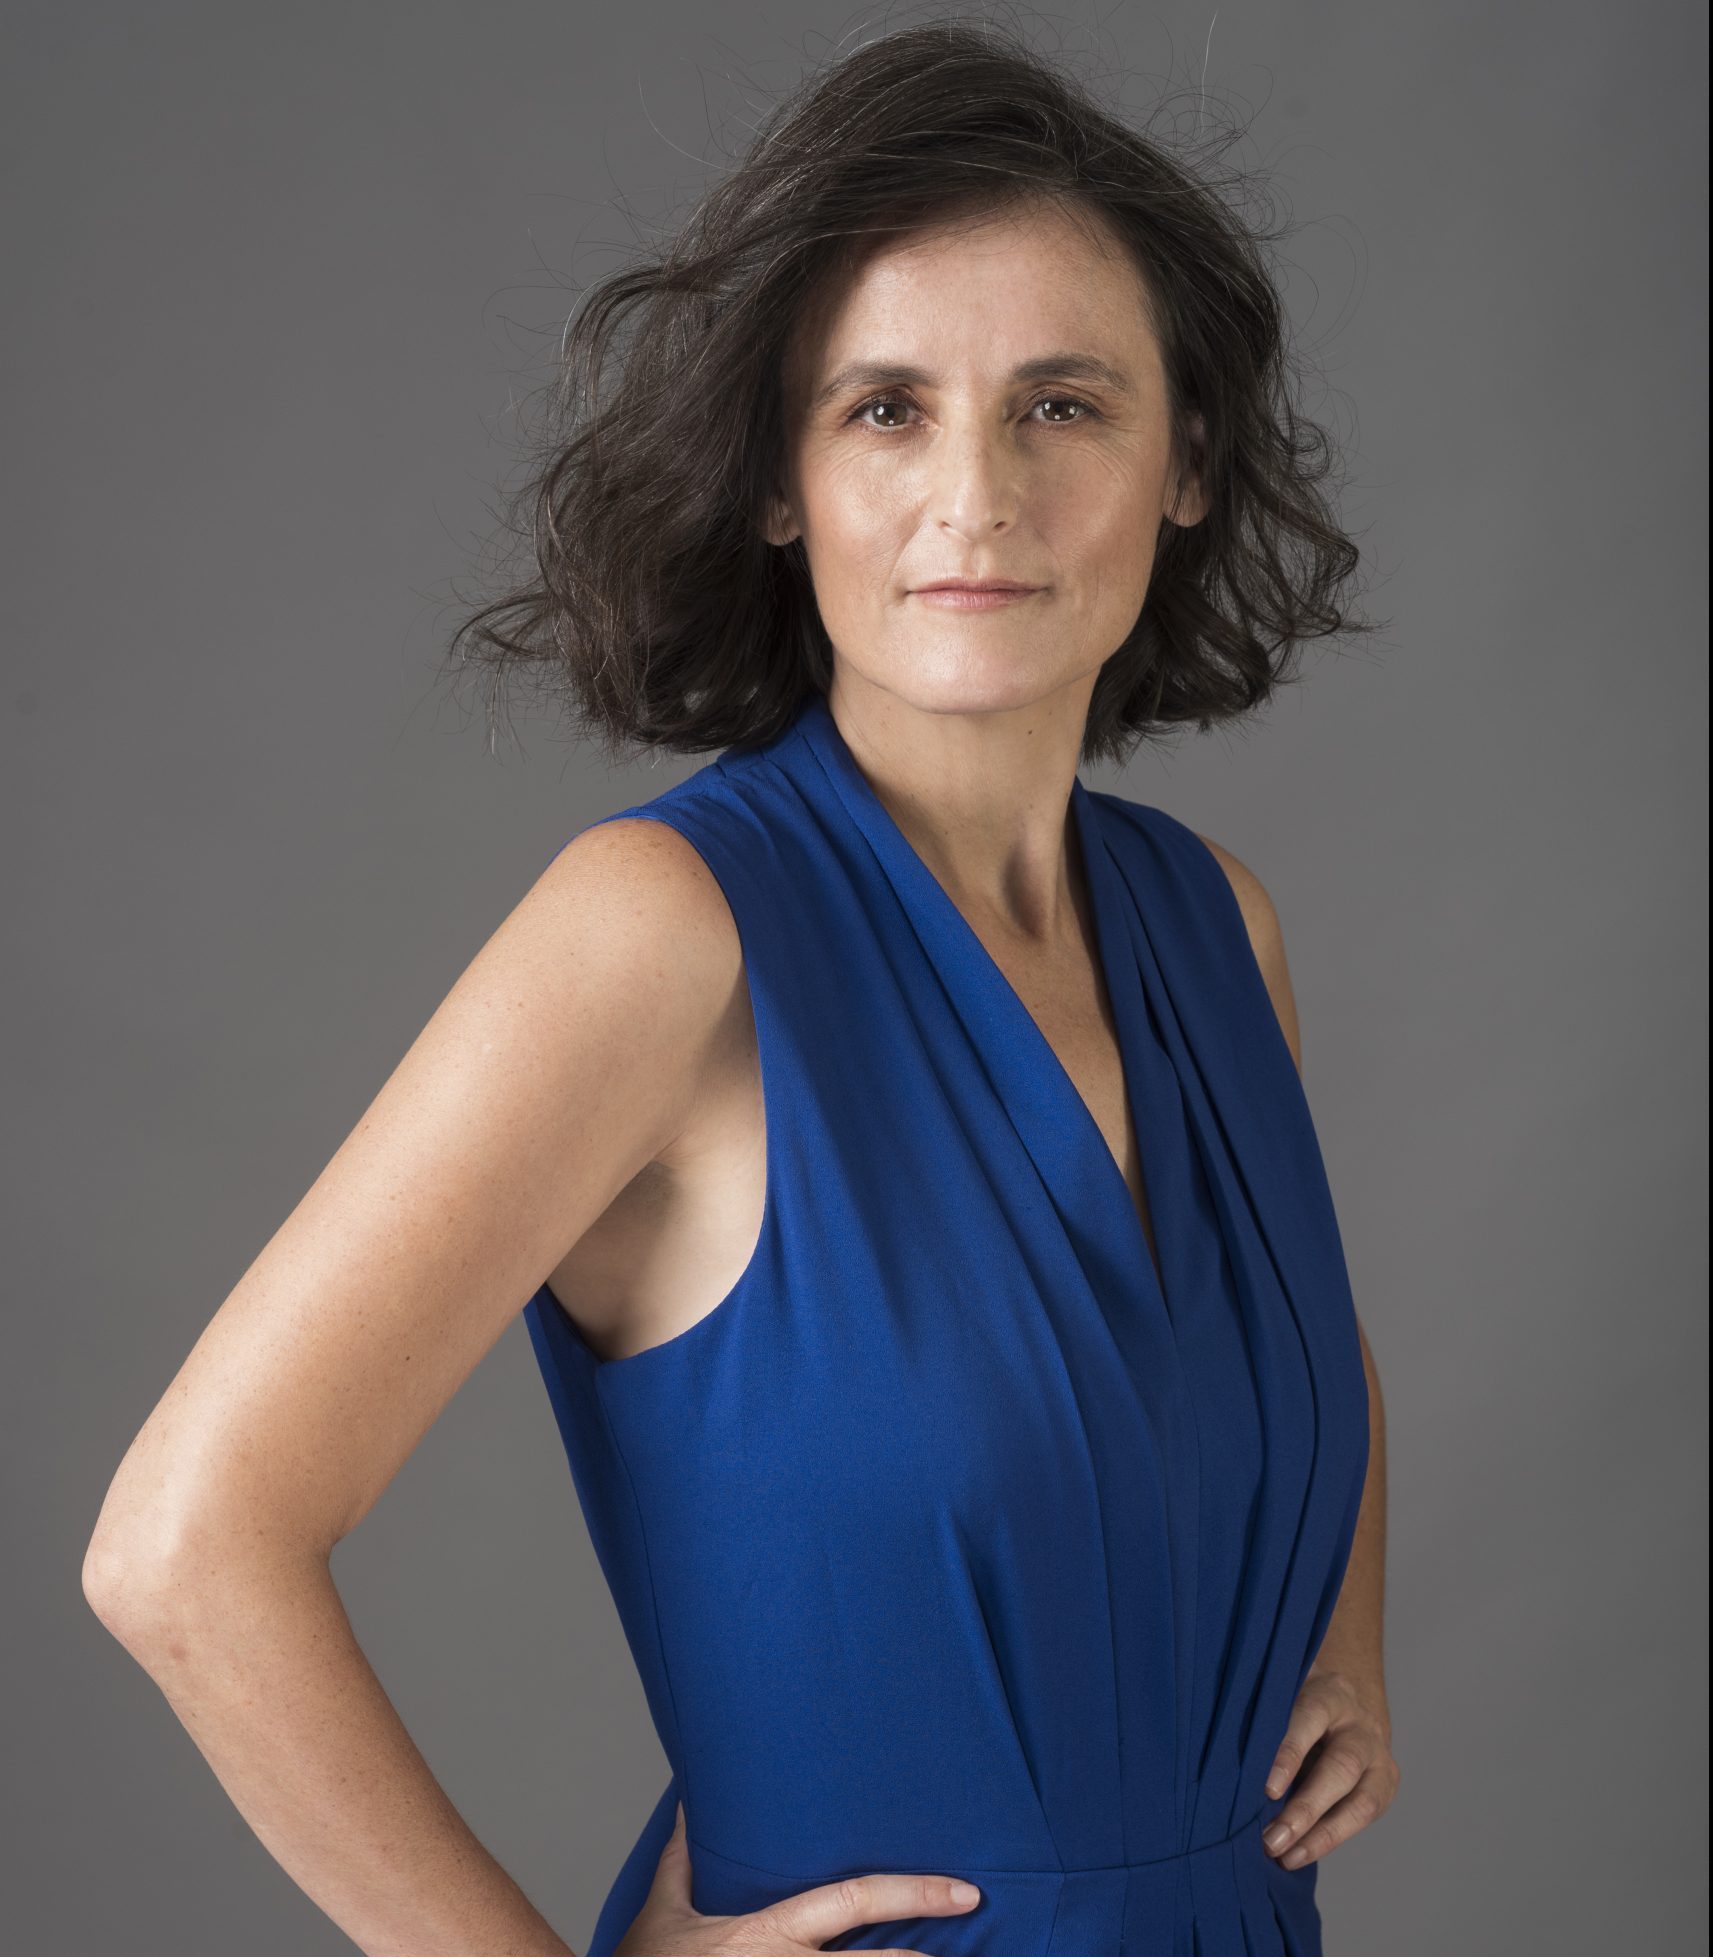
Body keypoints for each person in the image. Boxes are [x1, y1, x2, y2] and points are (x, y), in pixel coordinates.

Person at [83, 20, 1396, 1957]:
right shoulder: (663, 930)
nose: (976, 493)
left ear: (1186, 461)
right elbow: (183, 1549)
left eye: (1060, 404)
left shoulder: (1215, 923)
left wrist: (1342, 1640)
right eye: (884, 409)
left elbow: (1287, 1346)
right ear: (780, 482)